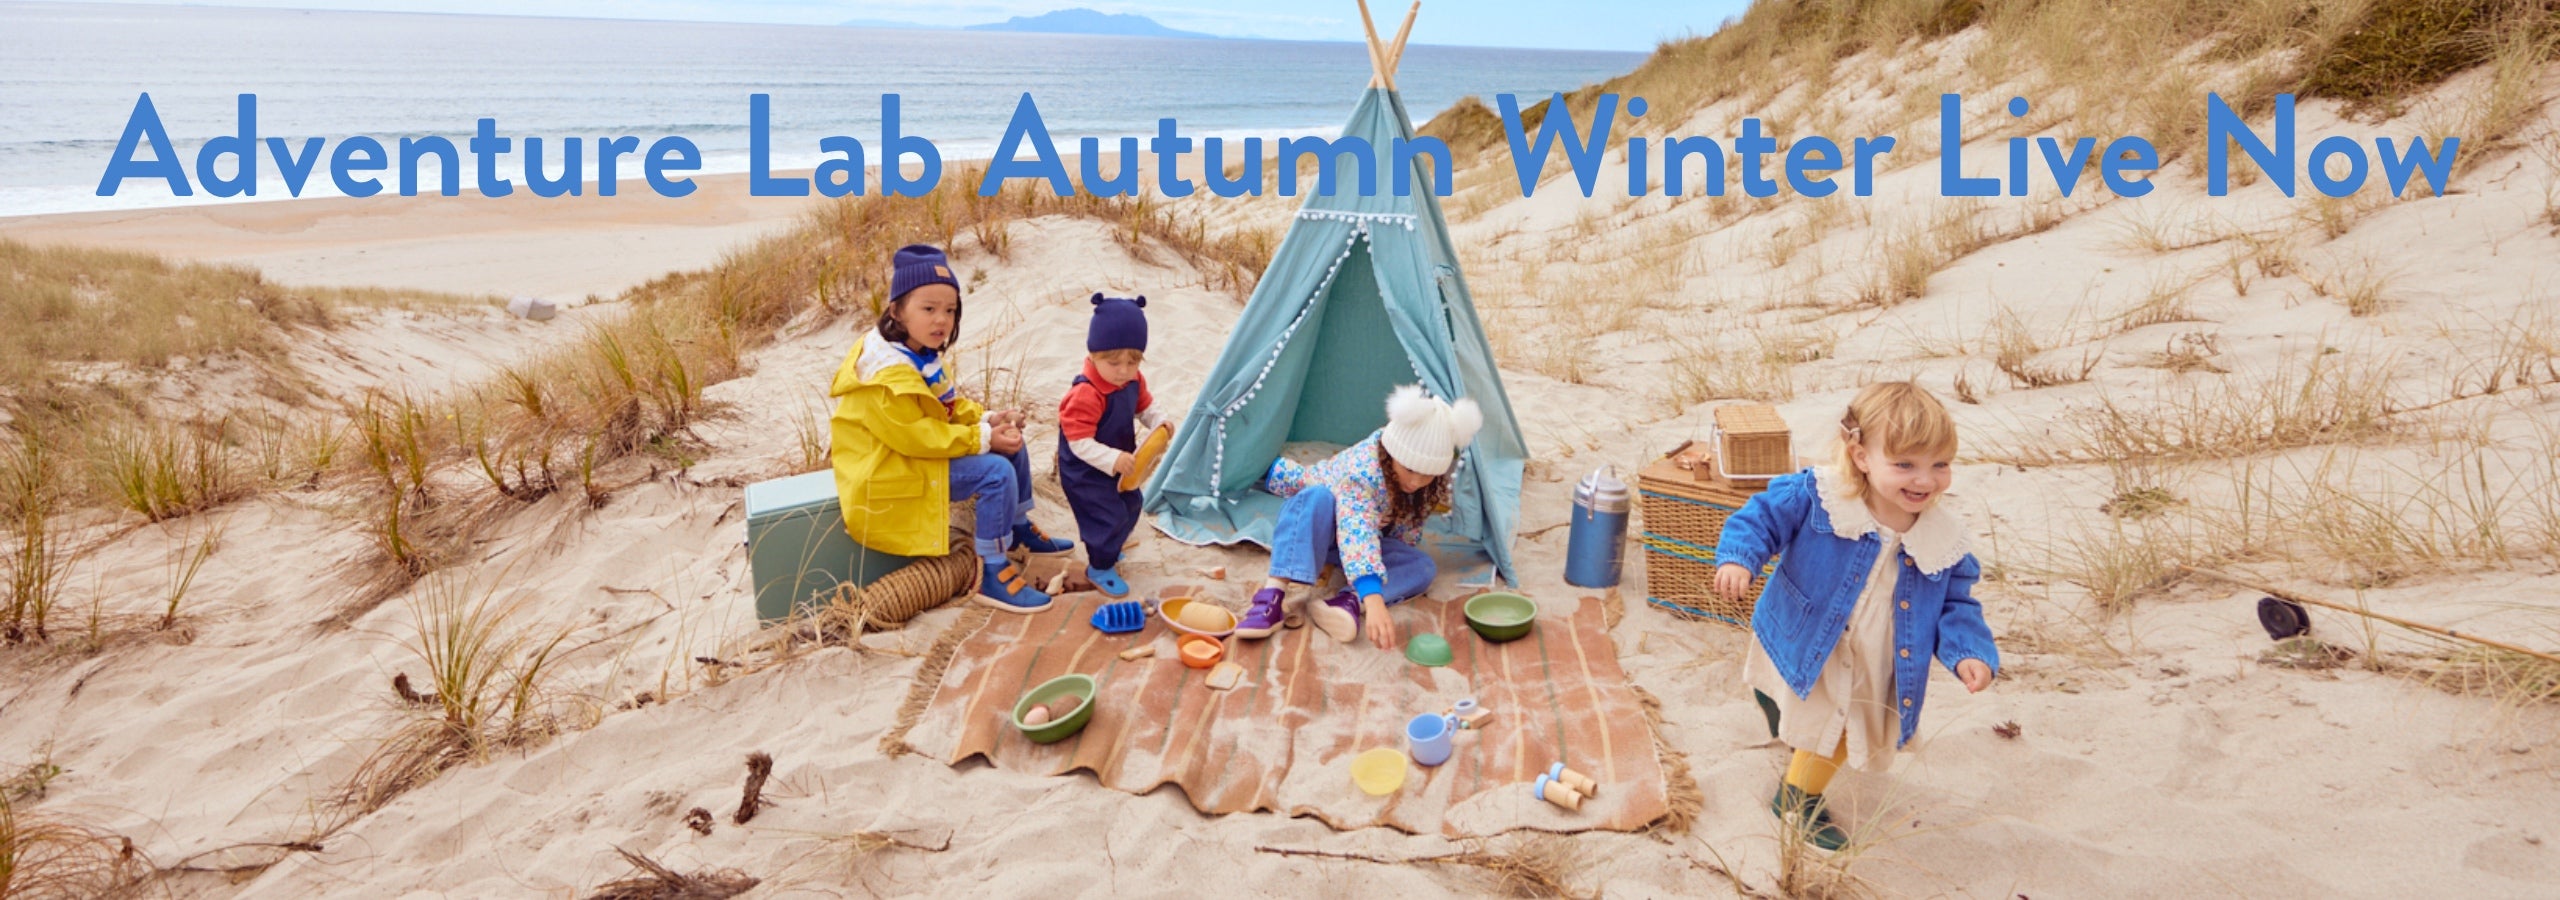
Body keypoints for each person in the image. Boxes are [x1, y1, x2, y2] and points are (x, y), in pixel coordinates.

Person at [1712, 382, 1999, 851]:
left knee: (1839, 730)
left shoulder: (1944, 538)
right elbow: (1759, 517)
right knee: (1781, 689)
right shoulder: (1820, 494)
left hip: (1876, 663)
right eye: (1904, 464)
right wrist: (1740, 558)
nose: (1924, 480)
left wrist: (1968, 652)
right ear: (1861, 455)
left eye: (1939, 465)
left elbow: (1957, 604)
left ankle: (1796, 795)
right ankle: (1789, 757)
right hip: (1805, 635)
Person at [827, 244, 1074, 613]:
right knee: (995, 472)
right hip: (888, 468)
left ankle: (1018, 527)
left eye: (950, 310)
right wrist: (981, 439)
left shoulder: (916, 351)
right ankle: (990, 570)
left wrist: (988, 419)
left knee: (1011, 443)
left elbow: (946, 404)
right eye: (928, 309)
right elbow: (916, 438)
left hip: (915, 452)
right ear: (896, 310)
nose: (941, 320)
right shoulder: (886, 375)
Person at [1234, 385, 1480, 648]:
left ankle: (1347, 601)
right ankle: (1272, 596)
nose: (1416, 481)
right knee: (1314, 496)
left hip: (1362, 541)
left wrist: (1381, 569)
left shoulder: (1424, 484)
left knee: (1423, 567)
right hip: (1324, 527)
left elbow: (1401, 535)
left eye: (1427, 474)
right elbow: (1356, 527)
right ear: (1393, 453)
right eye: (1409, 469)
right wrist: (1373, 596)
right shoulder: (1362, 472)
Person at [1055, 294, 1171, 598]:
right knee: (1105, 516)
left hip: (1121, 462)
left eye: (1132, 361)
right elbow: (1078, 442)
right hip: (1086, 470)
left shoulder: (1133, 380)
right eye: (1113, 361)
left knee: (1132, 505)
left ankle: (1111, 547)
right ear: (1093, 354)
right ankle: (1099, 566)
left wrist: (1160, 421)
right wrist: (1111, 459)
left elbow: (1145, 407)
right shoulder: (1085, 393)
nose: (1123, 370)